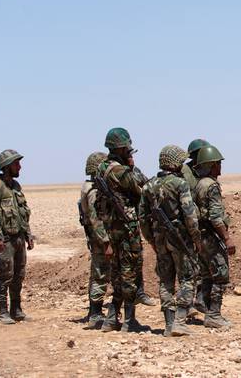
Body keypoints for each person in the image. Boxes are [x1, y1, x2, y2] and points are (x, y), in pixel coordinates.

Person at [139, 145, 202, 337]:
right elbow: (190, 215)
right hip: (180, 238)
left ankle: (168, 323)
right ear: (175, 163)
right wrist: (196, 238)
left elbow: (142, 217)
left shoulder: (149, 185)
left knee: (165, 280)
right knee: (187, 277)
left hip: (160, 238)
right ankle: (180, 321)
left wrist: (151, 239)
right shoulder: (180, 184)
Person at [95, 127, 149, 332]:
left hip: (111, 227)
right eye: (127, 148)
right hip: (127, 227)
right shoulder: (120, 170)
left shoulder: (102, 167)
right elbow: (140, 191)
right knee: (130, 271)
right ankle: (129, 320)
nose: (130, 151)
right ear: (120, 148)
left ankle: (110, 319)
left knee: (117, 272)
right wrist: (132, 168)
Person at [0, 150, 34, 324]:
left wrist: (28, 235)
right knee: (5, 274)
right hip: (6, 239)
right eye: (16, 164)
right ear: (7, 166)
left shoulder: (16, 186)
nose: (19, 166)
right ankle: (3, 312)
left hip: (19, 238)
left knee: (18, 275)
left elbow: (23, 213)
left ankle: (16, 309)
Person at [191, 145, 235, 329]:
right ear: (210, 165)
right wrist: (226, 238)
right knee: (220, 274)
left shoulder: (199, 184)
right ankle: (214, 314)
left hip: (201, 235)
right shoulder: (211, 186)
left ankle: (204, 306)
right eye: (217, 163)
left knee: (207, 274)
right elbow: (216, 217)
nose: (220, 167)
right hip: (211, 234)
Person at [79, 151, 112, 327]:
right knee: (100, 273)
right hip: (100, 239)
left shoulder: (92, 187)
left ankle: (95, 311)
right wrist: (106, 242)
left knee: (99, 272)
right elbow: (95, 219)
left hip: (97, 237)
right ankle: (95, 313)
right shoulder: (93, 191)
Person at [182, 138, 210, 316]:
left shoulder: (202, 172)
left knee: (203, 264)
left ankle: (200, 300)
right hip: (187, 223)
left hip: (200, 224)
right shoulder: (185, 172)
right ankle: (187, 304)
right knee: (189, 266)